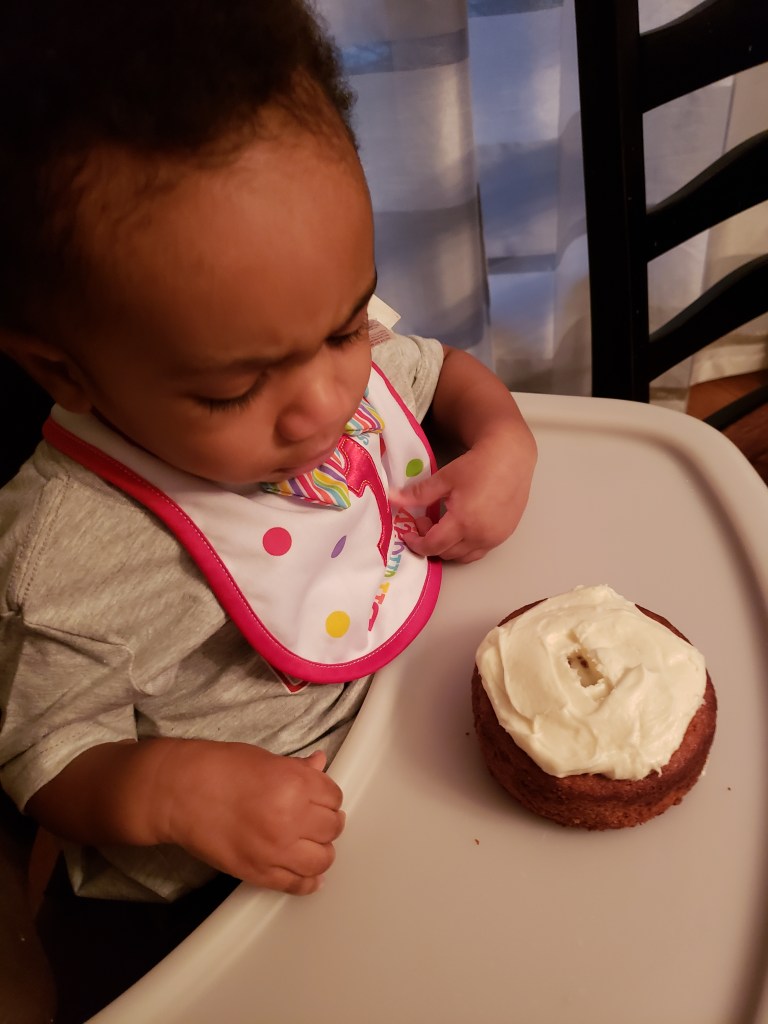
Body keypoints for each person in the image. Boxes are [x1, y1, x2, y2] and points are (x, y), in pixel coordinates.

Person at [0, 0, 536, 1018]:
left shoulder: (295, 324)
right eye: (234, 391)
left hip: (410, 742)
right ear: (65, 370)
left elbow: (440, 373)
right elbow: (44, 756)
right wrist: (166, 792)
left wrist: (503, 442)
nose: (330, 399)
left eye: (345, 327)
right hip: (208, 886)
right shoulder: (58, 556)